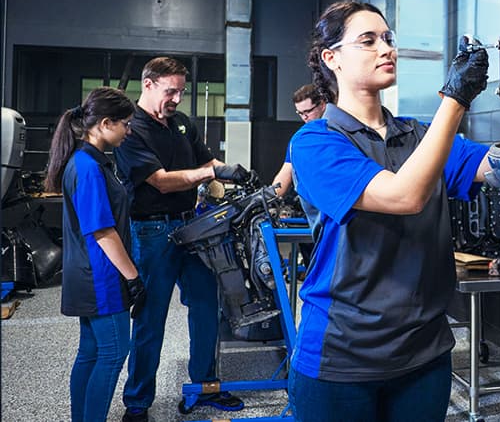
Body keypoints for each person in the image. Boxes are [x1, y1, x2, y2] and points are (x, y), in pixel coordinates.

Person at [286, 0, 491, 422]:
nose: (386, 48)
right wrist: (455, 99)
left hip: (423, 354)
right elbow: (403, 196)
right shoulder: (315, 142)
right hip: (341, 357)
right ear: (332, 59)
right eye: (368, 40)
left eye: (388, 39)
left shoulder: (419, 136)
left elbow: (497, 166)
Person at [114, 57, 250, 422]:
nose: (176, 98)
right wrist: (208, 172)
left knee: (208, 308)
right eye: (169, 90)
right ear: (148, 84)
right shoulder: (131, 130)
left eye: (181, 92)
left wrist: (234, 174)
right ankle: (138, 402)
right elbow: (160, 180)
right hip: (152, 232)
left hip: (193, 230)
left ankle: (205, 386)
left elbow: (209, 161)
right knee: (150, 318)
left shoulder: (181, 124)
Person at [44, 87, 146, 422]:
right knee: (115, 353)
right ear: (104, 123)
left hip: (88, 273)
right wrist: (133, 277)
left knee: (90, 352)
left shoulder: (91, 162)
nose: (128, 131)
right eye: (125, 125)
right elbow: (102, 232)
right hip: (100, 276)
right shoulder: (87, 167)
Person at [271, 84, 326, 197]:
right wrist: (269, 197)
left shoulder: (339, 131)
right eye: (300, 113)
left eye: (308, 111)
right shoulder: (301, 139)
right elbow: (285, 174)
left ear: (322, 105)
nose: (304, 117)